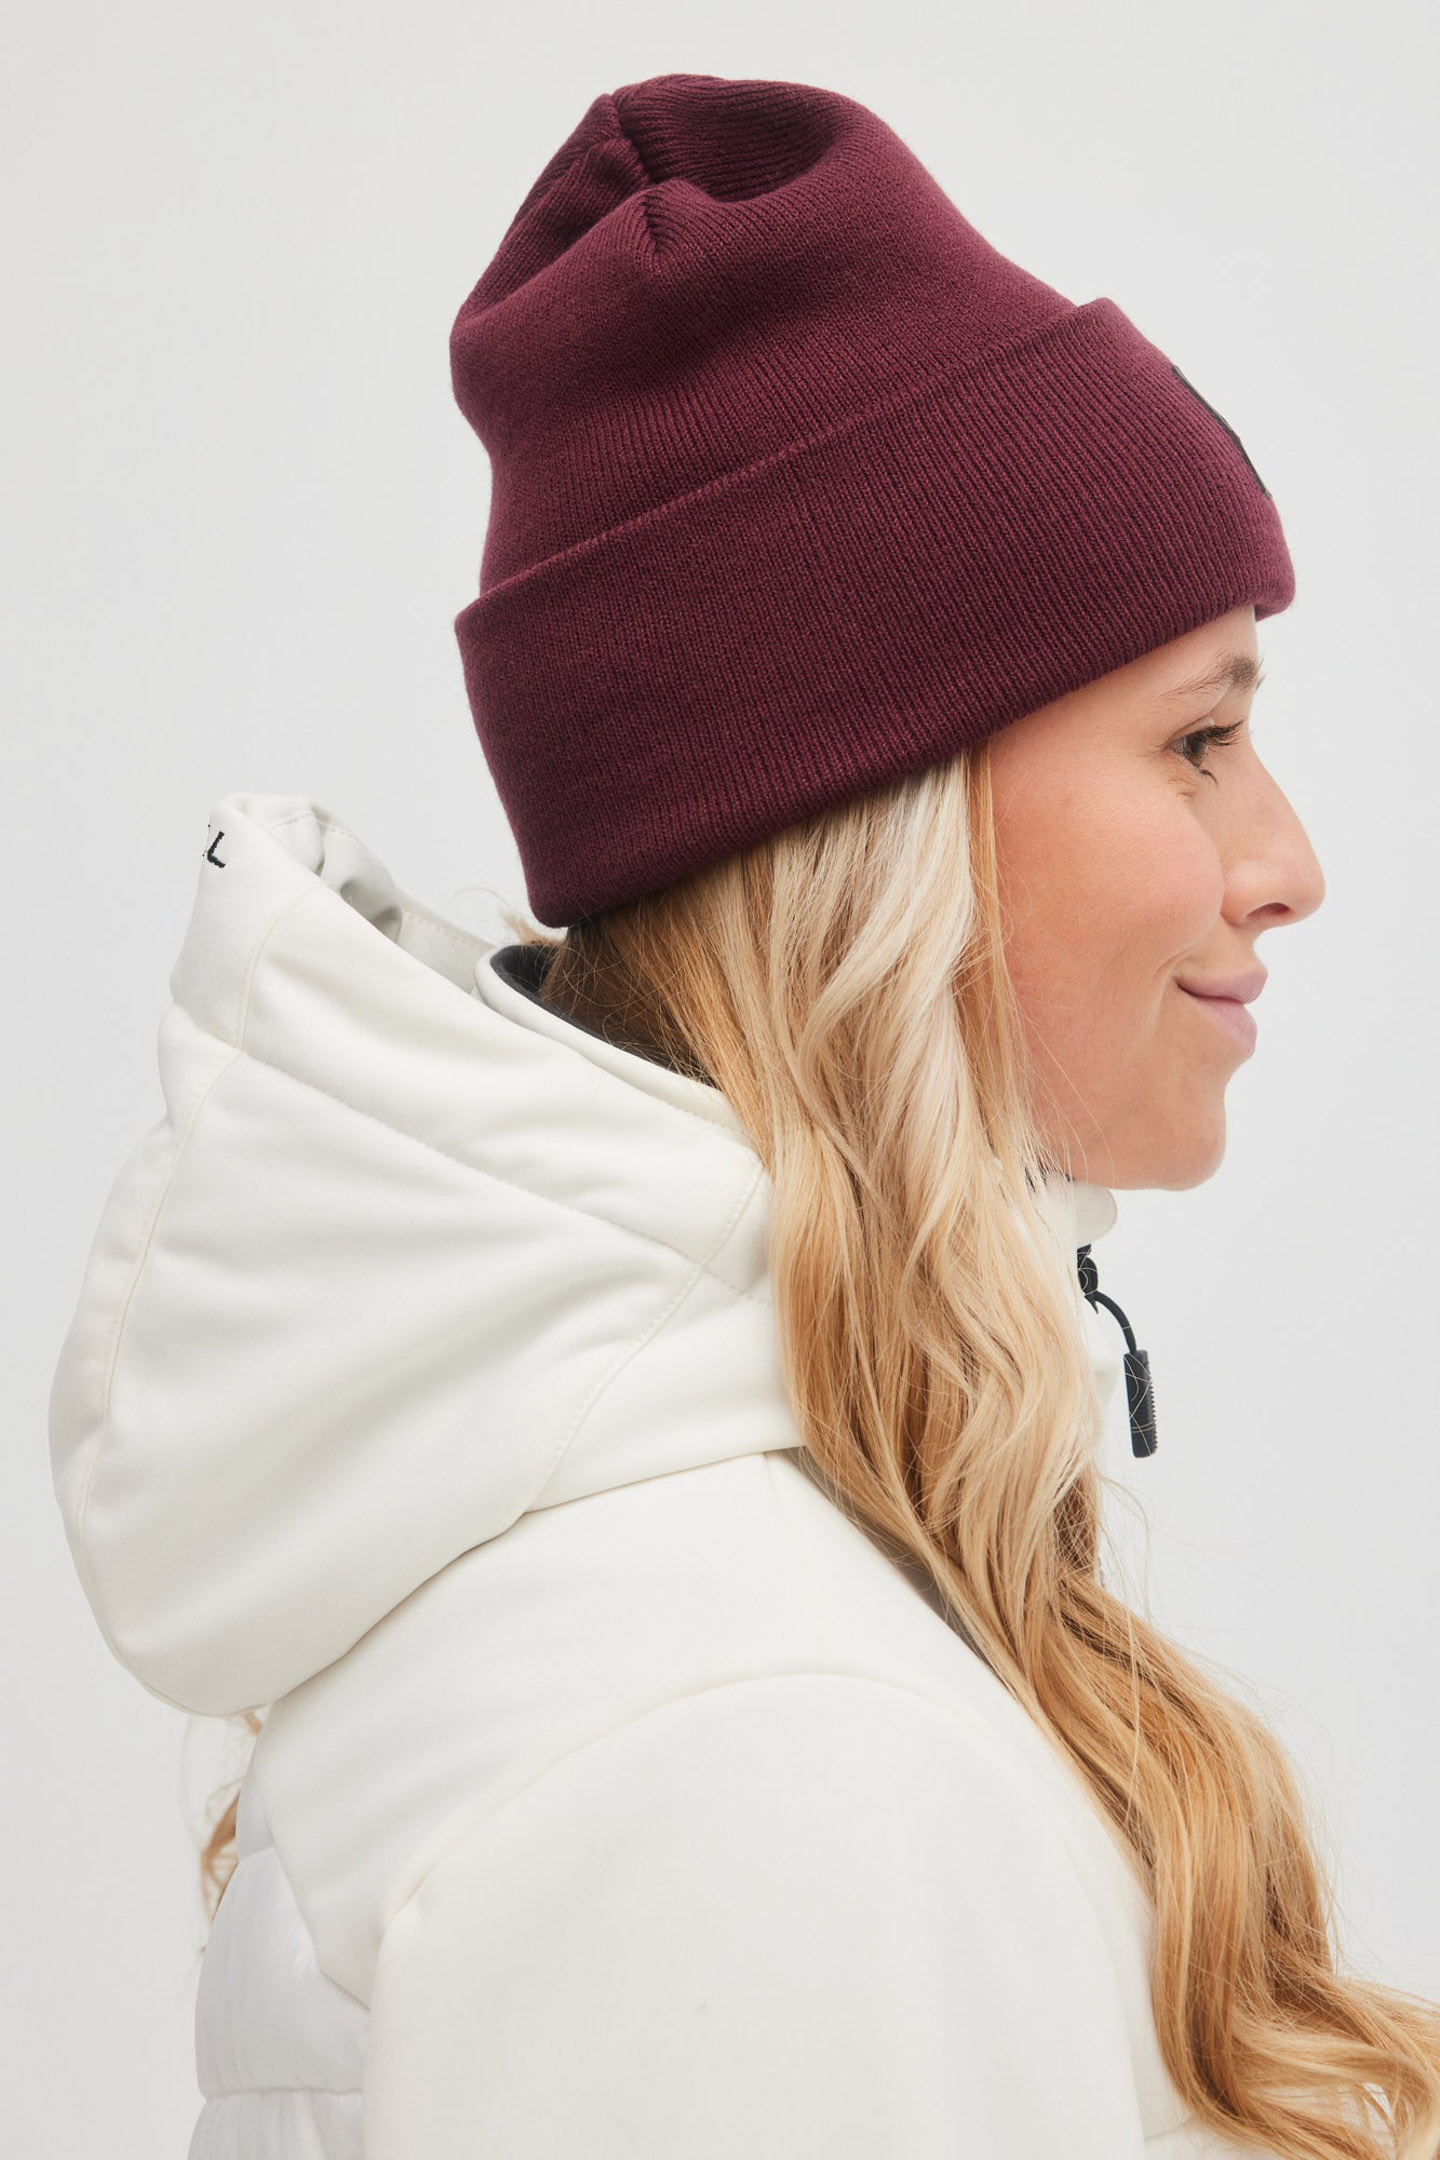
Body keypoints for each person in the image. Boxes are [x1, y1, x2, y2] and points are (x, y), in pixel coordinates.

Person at [47, 70, 1440, 2160]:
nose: (1289, 862)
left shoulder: (725, 1640)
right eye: (1200, 738)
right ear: (887, 835)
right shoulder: (759, 1748)